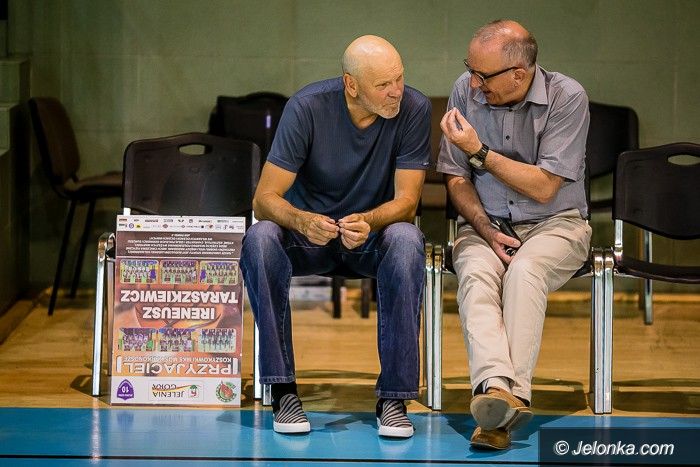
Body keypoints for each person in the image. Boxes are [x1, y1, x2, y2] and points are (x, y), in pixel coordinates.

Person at [240, 35, 431, 438]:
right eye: (384, 84)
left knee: (407, 239)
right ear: (351, 84)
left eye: (399, 78)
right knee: (260, 238)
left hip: (370, 238)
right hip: (311, 236)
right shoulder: (306, 107)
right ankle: (282, 390)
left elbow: (408, 201)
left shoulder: (414, 108)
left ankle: (393, 398)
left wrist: (370, 221)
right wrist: (302, 220)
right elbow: (264, 199)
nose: (396, 91)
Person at [437, 20, 591, 450]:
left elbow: (544, 187)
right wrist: (484, 228)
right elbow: (456, 177)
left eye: (482, 75)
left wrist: (480, 151)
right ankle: (497, 392)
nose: (473, 83)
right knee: (475, 274)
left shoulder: (567, 97)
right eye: (469, 69)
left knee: (525, 272)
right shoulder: (464, 91)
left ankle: (505, 403)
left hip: (557, 224)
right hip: (485, 224)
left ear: (518, 74)